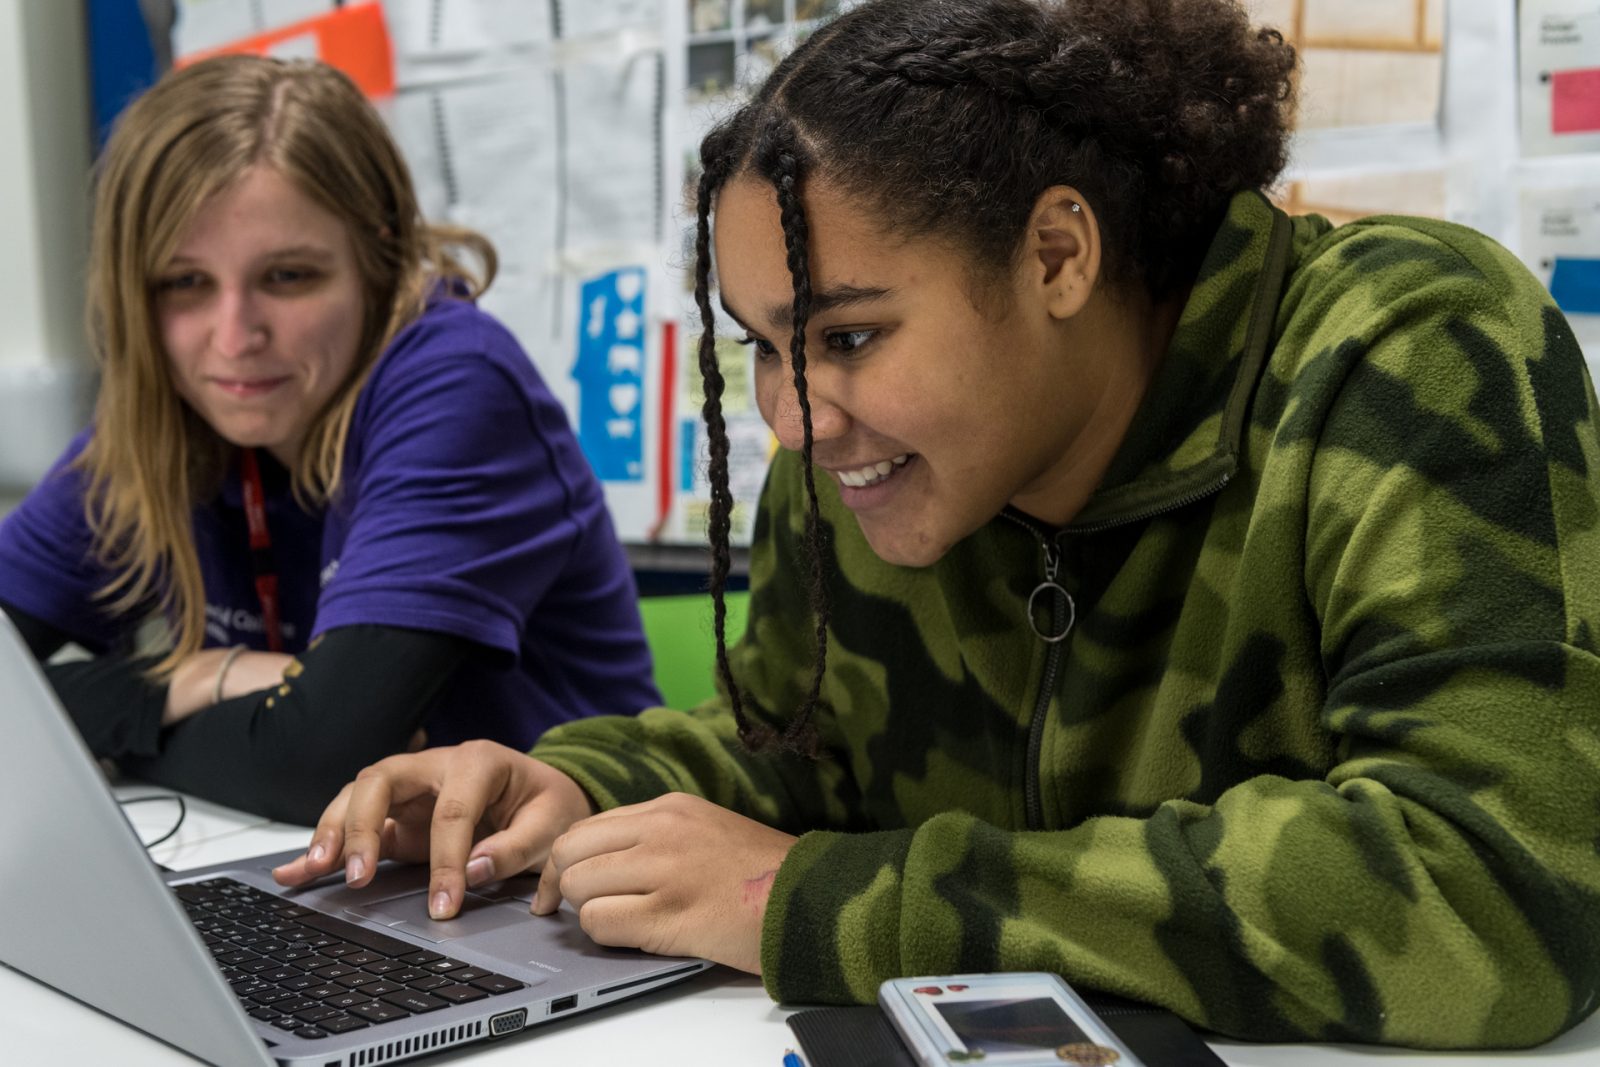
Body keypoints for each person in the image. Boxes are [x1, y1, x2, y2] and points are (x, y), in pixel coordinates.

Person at [274, 0, 1600, 1049]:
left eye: (849, 334)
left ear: (1057, 256)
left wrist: (812, 902)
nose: (798, 417)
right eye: (766, 349)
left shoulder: (1405, 348)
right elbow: (799, 751)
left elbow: (1498, 883)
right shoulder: (869, 456)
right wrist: (575, 785)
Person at [0, 55, 659, 826]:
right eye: (184, 283)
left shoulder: (457, 382)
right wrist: (193, 681)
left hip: (548, 888)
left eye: (288, 276)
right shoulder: (167, 410)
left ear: (375, 260)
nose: (235, 336)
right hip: (331, 874)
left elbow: (312, 763)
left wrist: (110, 718)